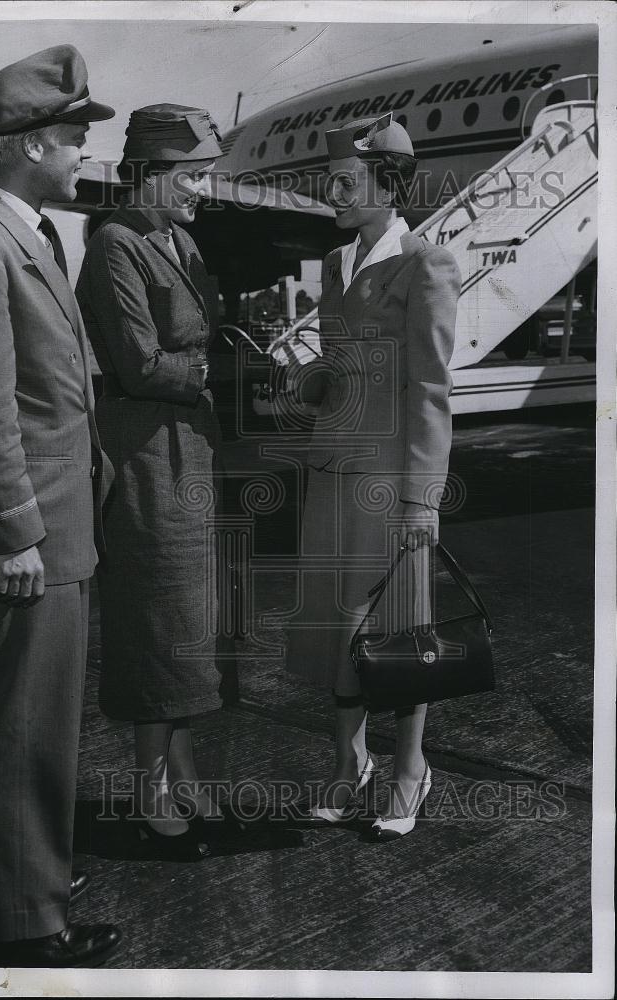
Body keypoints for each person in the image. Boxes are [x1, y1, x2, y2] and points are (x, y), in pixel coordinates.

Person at [0, 46, 122, 966]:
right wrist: (12, 534)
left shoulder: (31, 234)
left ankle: (34, 892)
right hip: (31, 532)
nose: (85, 152)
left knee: (47, 727)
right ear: (35, 144)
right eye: (77, 137)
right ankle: (23, 931)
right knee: (22, 730)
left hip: (62, 524)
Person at [284, 112, 461, 840]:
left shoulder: (427, 263)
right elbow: (335, 361)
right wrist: (308, 383)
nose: (333, 195)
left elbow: (429, 389)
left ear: (387, 184)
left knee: (397, 631)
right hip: (332, 471)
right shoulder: (334, 262)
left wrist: (423, 498)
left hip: (391, 485)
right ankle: (346, 763)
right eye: (330, 183)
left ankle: (410, 769)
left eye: (346, 183)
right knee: (335, 626)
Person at [76, 105, 229, 860]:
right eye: (194, 175)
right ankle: (150, 786)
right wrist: (208, 372)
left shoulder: (180, 239)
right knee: (155, 616)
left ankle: (184, 765)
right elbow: (138, 363)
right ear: (153, 174)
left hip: (188, 447)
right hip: (144, 453)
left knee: (189, 615)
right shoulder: (115, 245)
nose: (204, 188)